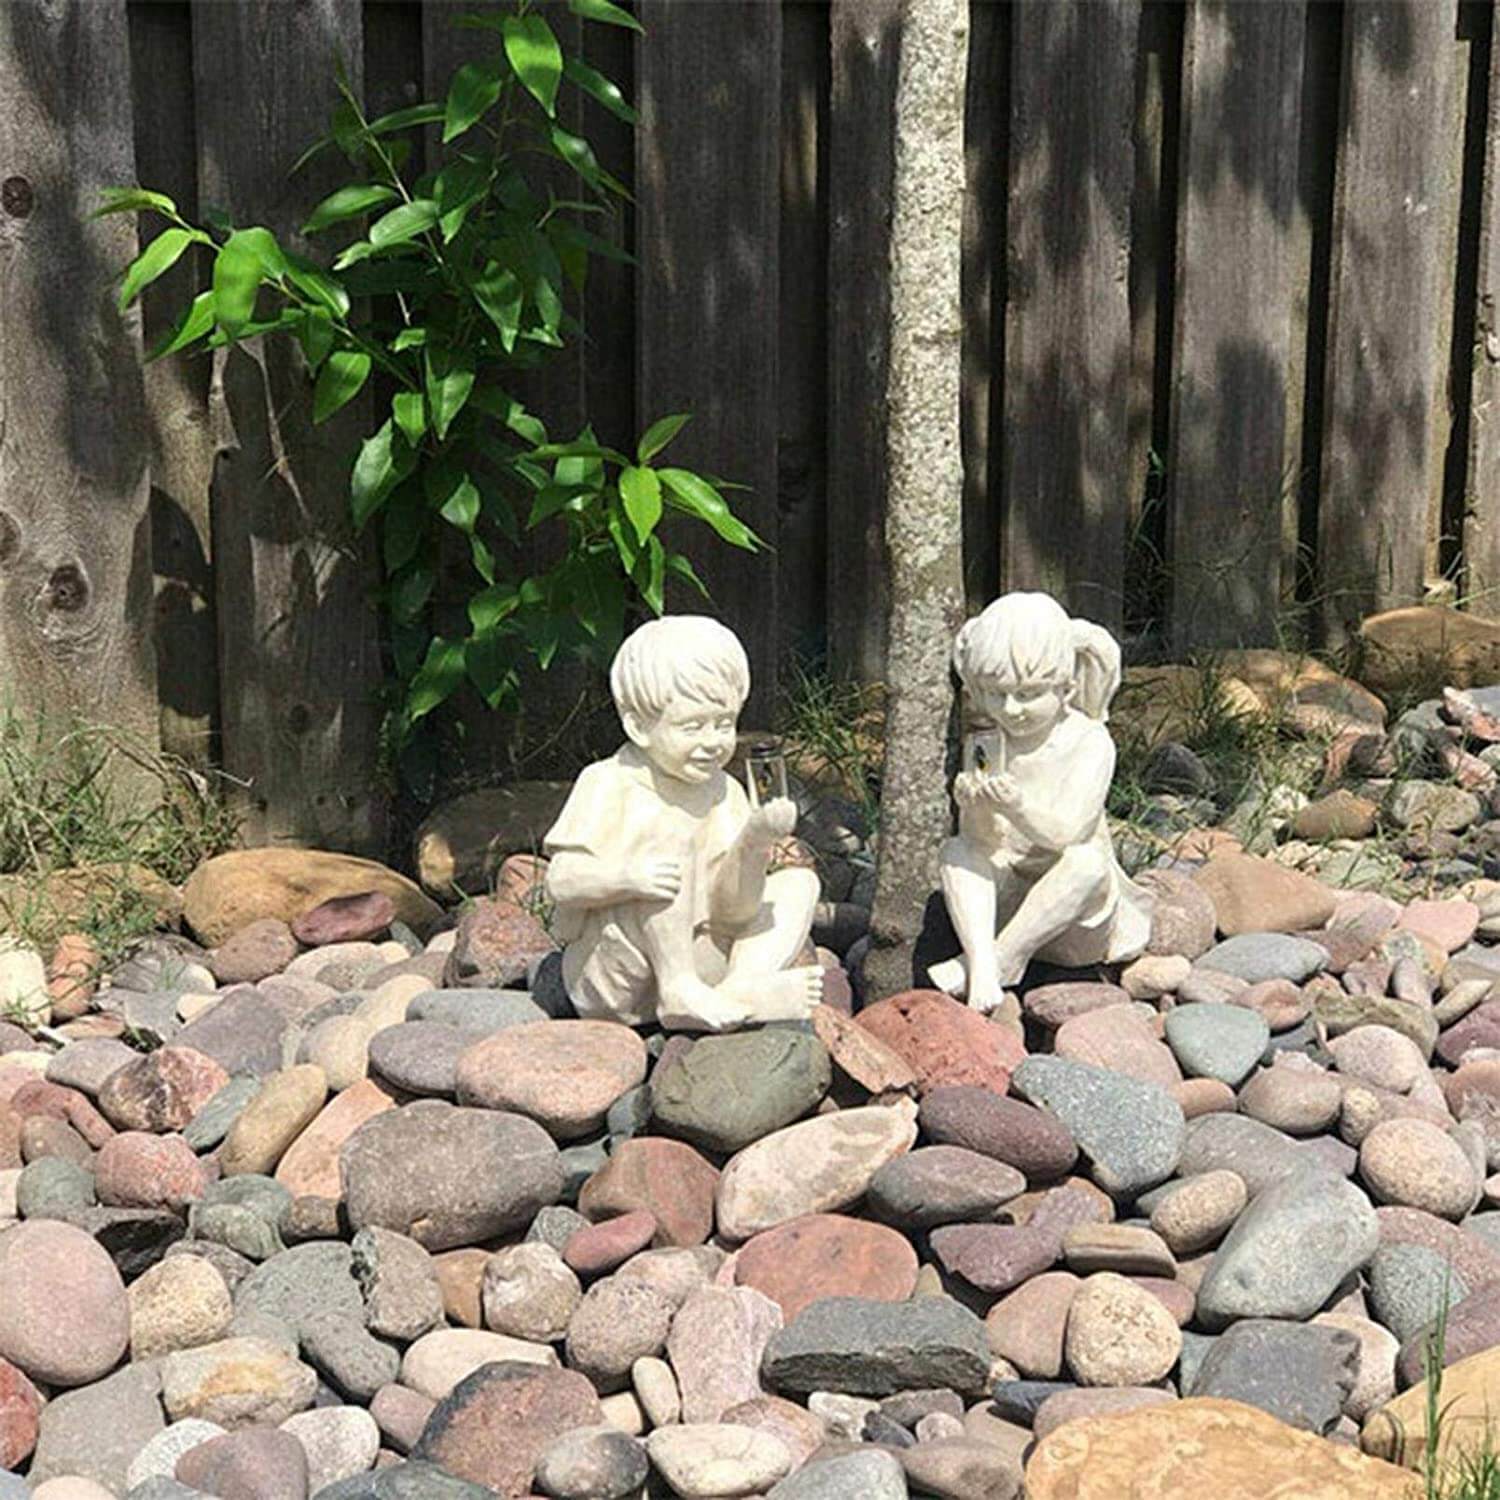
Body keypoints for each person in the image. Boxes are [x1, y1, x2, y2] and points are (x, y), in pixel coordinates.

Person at [543, 615, 823, 1031]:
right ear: (639, 726)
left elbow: (735, 909)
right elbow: (562, 881)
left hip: (708, 959)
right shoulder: (608, 782)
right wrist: (628, 877)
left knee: (798, 884)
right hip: (620, 978)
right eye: (692, 727)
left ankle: (741, 988)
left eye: (724, 724)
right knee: (664, 847)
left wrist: (755, 841)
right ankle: (678, 990)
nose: (712, 742)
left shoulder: (726, 791)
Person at [927, 592, 1153, 1013]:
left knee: (1087, 862)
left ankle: (995, 963)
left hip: (1073, 916)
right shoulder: (986, 743)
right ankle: (983, 962)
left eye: (1028, 694)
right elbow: (982, 842)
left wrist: (1017, 806)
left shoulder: (1089, 741)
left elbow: (1067, 834)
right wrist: (976, 806)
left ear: (1066, 688)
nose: (1010, 709)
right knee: (957, 851)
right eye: (995, 694)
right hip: (1007, 903)